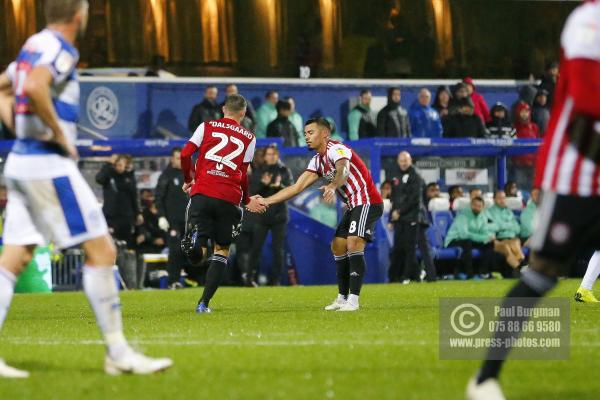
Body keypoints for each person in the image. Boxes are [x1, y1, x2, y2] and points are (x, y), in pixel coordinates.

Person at [0, 0, 172, 377]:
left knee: (12, 260)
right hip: (48, 165)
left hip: (22, 163)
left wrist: (19, 128)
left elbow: (5, 87)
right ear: (80, 15)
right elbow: (35, 86)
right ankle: (118, 353)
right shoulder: (61, 49)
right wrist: (59, 134)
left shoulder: (31, 44)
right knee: (102, 250)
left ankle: (118, 353)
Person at [468, 4, 600, 392]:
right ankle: (485, 377)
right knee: (542, 272)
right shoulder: (589, 21)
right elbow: (584, 109)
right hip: (577, 172)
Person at [256, 118, 383, 311]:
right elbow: (296, 187)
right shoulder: (317, 160)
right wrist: (267, 200)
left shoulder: (336, 148)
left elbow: (344, 170)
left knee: (353, 242)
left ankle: (354, 301)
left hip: (367, 200)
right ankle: (342, 298)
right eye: (305, 133)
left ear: (325, 134)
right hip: (353, 205)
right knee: (338, 246)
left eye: (311, 132)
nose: (306, 137)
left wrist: (332, 185)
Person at [180, 94, 265, 313]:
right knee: (222, 250)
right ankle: (203, 303)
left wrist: (188, 180)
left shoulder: (206, 126)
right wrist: (246, 200)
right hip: (228, 197)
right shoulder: (249, 137)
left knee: (196, 251)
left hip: (203, 191)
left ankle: (197, 241)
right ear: (243, 114)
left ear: (223, 109)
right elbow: (244, 174)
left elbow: (185, 153)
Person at [249, 144, 294, 286]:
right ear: (265, 156)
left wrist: (279, 186)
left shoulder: (284, 170)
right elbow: (252, 191)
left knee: (277, 250)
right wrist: (264, 184)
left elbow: (292, 188)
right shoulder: (259, 170)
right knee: (255, 248)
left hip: (279, 216)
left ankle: (275, 280)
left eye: (274, 154)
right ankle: (249, 279)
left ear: (278, 155)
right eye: (269, 154)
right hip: (261, 216)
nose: (271, 156)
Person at [155, 147, 192, 288]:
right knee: (175, 250)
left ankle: (180, 279)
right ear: (172, 159)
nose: (180, 161)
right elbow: (159, 197)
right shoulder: (166, 175)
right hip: (173, 222)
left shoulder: (188, 174)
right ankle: (172, 281)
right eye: (177, 158)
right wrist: (161, 217)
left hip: (187, 221)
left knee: (185, 250)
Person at [389, 152, 424, 283]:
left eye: (406, 160)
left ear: (410, 161)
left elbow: (414, 199)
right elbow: (394, 198)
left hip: (412, 217)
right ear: (398, 161)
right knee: (398, 248)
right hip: (399, 218)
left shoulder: (416, 176)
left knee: (410, 248)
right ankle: (398, 276)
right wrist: (392, 218)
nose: (403, 163)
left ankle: (406, 276)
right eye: (401, 160)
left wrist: (400, 211)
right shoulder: (395, 175)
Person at [95, 154, 142, 247]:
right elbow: (99, 179)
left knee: (126, 244)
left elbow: (134, 196)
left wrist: (137, 213)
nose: (120, 167)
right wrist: (108, 164)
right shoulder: (109, 175)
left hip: (126, 217)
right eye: (118, 164)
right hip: (111, 216)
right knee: (110, 244)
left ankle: (125, 260)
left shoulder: (129, 177)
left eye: (122, 165)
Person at [444, 197, 495, 280]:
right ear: (471, 205)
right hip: (454, 240)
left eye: (479, 206)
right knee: (467, 243)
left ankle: (482, 272)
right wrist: (483, 238)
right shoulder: (463, 216)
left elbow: (485, 232)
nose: (477, 208)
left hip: (471, 241)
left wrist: (487, 238)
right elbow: (464, 235)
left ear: (483, 207)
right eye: (475, 205)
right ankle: (468, 274)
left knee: (489, 244)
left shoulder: (482, 217)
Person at [486, 190, 524, 269]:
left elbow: (517, 229)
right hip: (499, 239)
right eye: (499, 198)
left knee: (515, 242)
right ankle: (523, 270)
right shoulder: (489, 212)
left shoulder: (509, 212)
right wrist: (509, 225)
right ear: (494, 199)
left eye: (503, 198)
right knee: (509, 246)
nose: (502, 200)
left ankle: (522, 271)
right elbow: (492, 227)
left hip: (512, 238)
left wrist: (501, 225)